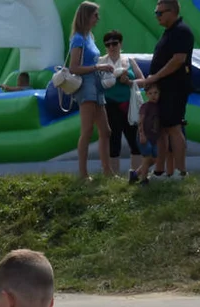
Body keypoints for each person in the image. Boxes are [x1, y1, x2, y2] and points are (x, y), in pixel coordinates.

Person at [141, 0, 193, 179]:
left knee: (174, 128)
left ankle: (180, 171)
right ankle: (161, 170)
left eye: (159, 13)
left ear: (172, 12)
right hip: (163, 89)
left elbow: (178, 59)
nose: (157, 16)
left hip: (175, 88)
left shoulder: (181, 31)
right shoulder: (168, 33)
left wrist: (156, 77)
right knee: (162, 129)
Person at [69, 2, 115, 179]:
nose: (98, 18)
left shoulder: (89, 36)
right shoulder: (78, 38)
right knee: (87, 130)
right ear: (86, 16)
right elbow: (74, 67)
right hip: (86, 85)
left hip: (96, 84)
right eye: (95, 15)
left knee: (105, 130)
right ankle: (83, 173)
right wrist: (98, 67)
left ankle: (107, 170)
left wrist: (101, 68)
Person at [99, 31, 144, 177]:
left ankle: (135, 173)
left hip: (128, 105)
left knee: (134, 139)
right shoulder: (100, 62)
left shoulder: (129, 60)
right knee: (113, 139)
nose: (112, 47)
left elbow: (142, 80)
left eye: (115, 43)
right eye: (108, 44)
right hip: (109, 105)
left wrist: (129, 82)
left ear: (120, 44)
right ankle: (113, 175)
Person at [134, 83, 162, 185]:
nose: (153, 95)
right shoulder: (145, 106)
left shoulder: (159, 107)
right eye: (150, 93)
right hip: (144, 136)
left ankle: (135, 174)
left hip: (153, 138)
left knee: (154, 159)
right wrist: (141, 134)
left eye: (155, 93)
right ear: (146, 95)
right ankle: (144, 180)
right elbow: (140, 121)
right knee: (146, 158)